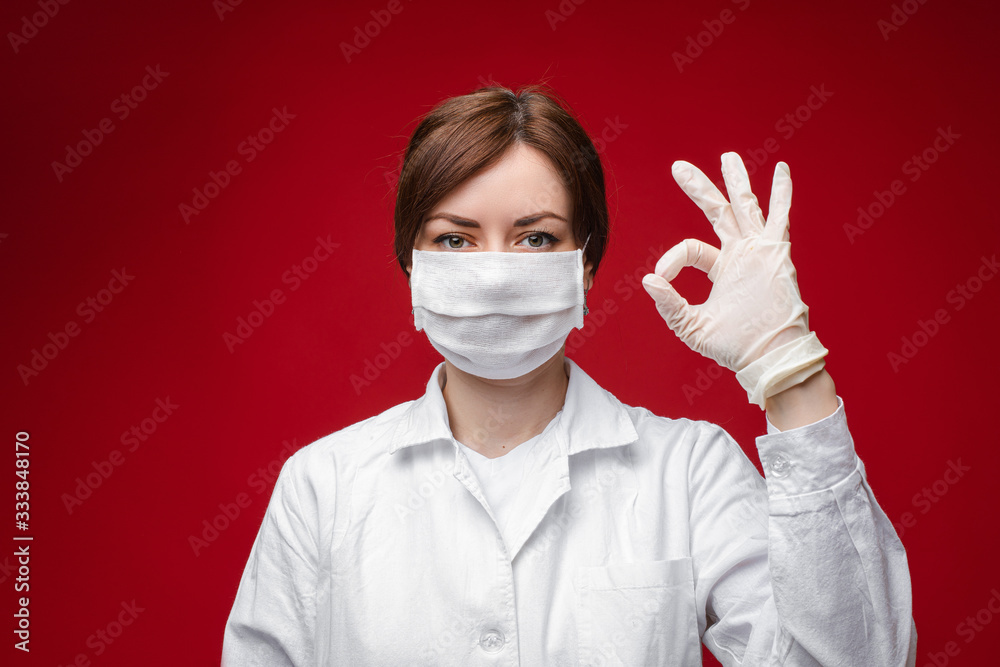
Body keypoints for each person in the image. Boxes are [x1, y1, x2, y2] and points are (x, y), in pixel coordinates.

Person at [222, 86, 916, 666]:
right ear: (414, 267)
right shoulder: (324, 485)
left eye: (536, 237)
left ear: (585, 265)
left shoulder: (688, 470)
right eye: (455, 239)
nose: (494, 271)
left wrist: (786, 366)